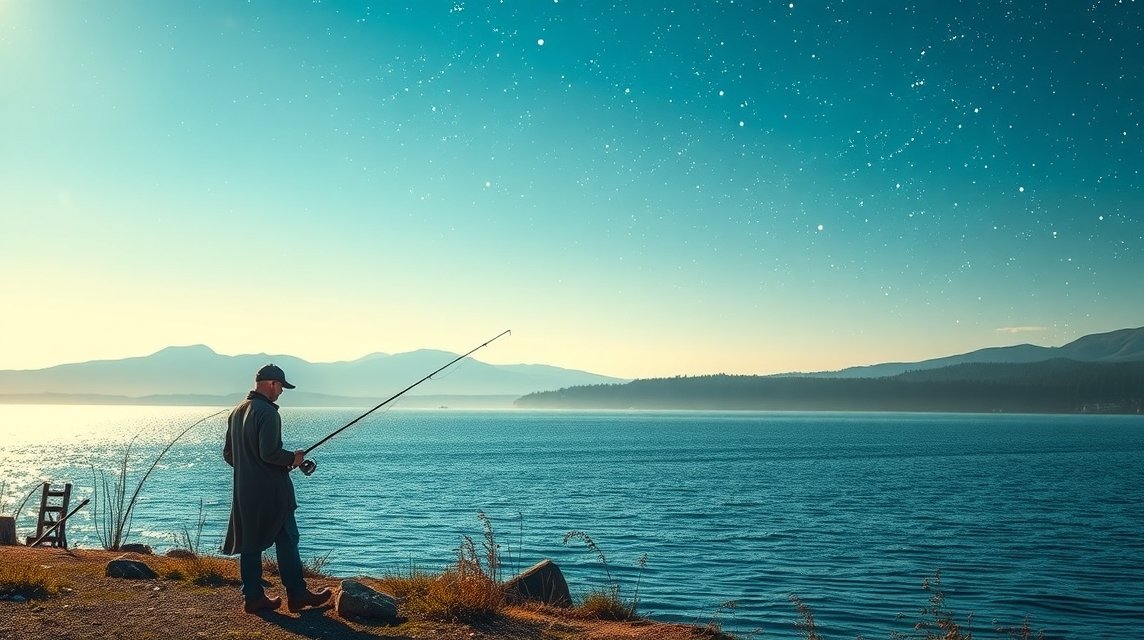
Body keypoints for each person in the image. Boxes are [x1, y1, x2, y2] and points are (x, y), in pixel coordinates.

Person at [222, 363, 331, 614]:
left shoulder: (238, 411)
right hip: (272, 492)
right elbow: (270, 453)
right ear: (271, 383)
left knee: (250, 543)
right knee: (288, 538)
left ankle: (253, 598)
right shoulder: (268, 412)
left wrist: (252, 469)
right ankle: (297, 594)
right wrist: (293, 459)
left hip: (245, 491)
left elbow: (229, 454)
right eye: (281, 387)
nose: (281, 392)